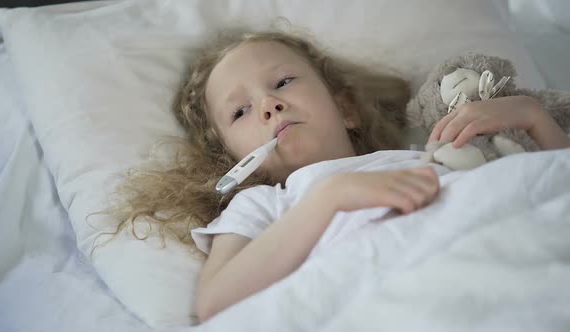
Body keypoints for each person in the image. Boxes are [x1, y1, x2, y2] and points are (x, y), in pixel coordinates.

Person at [110, 31, 570, 323]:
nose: (269, 105)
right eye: (241, 111)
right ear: (232, 158)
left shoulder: (418, 155)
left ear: (345, 108)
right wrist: (327, 199)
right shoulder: (265, 205)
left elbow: (547, 183)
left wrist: (534, 119)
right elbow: (215, 304)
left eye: (283, 82)